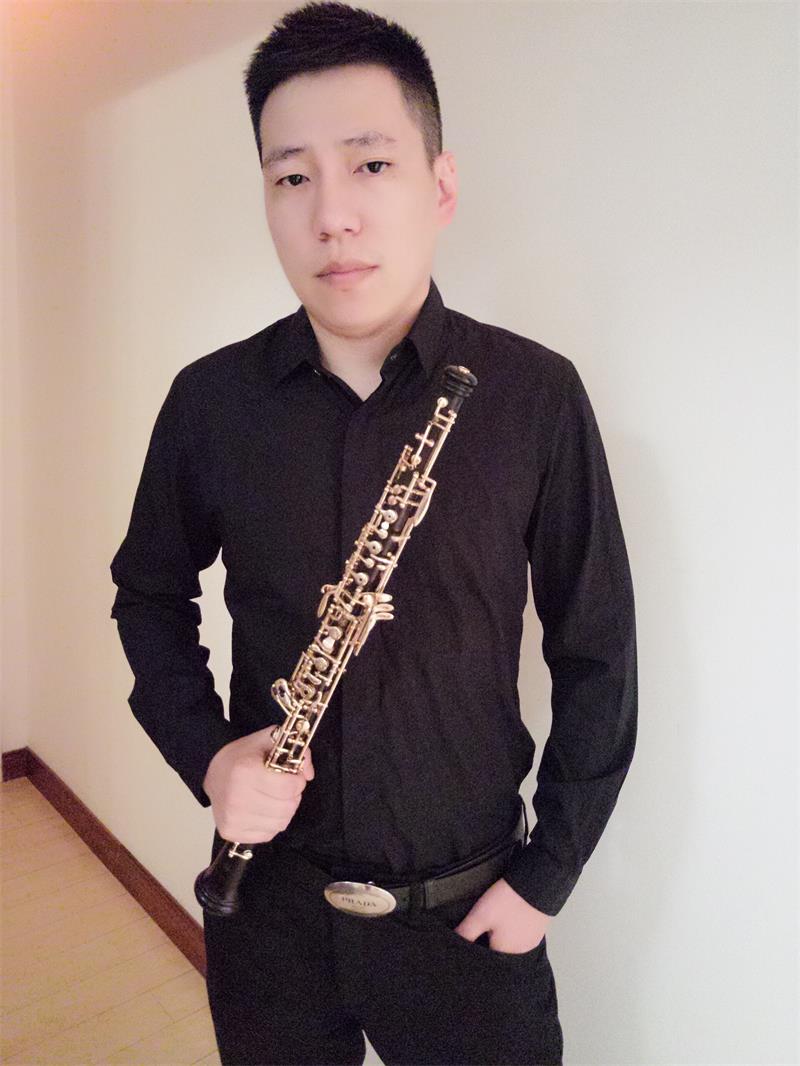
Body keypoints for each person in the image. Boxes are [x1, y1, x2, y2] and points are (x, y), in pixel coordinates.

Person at [109, 3, 638, 1063]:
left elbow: (598, 653)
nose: (331, 217)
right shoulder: (210, 403)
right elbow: (148, 598)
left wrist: (545, 878)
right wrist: (209, 757)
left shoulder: (532, 396)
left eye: (370, 165)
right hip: (267, 913)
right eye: (291, 177)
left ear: (440, 186)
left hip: (468, 916)